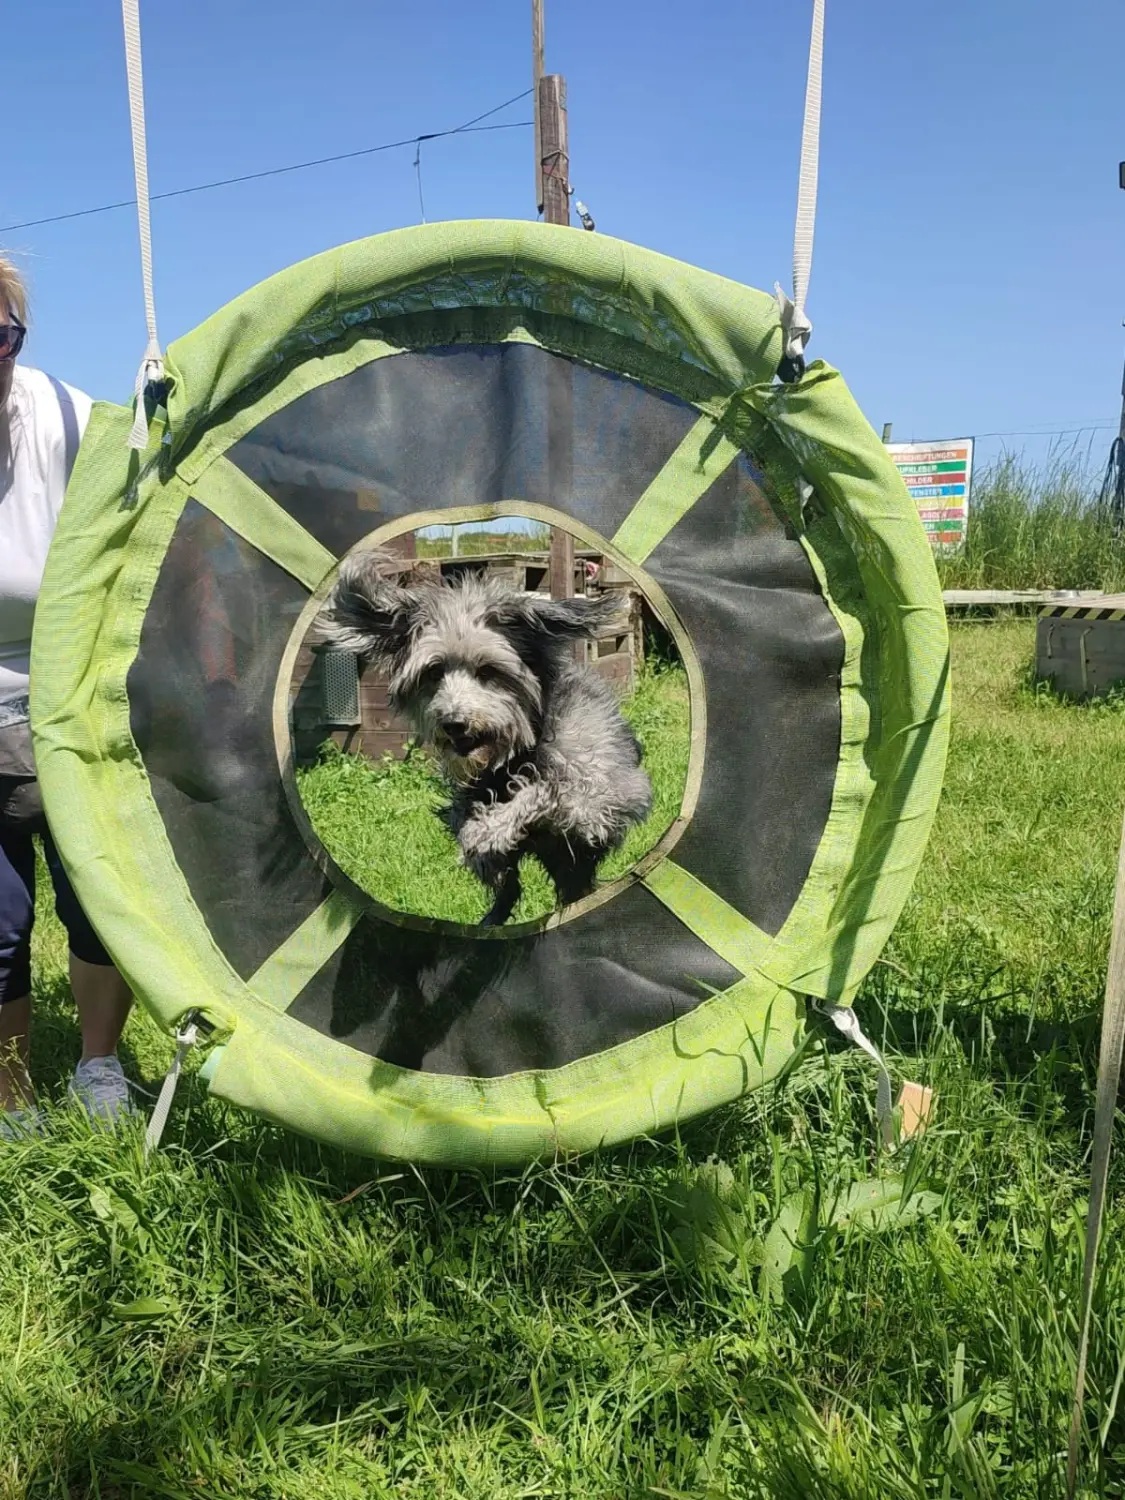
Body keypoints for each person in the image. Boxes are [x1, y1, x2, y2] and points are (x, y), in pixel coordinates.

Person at [0, 254, 136, 1137]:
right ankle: (10, 1099)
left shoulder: (63, 418)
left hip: (72, 697)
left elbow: (151, 487)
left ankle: (97, 1064)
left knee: (98, 897)